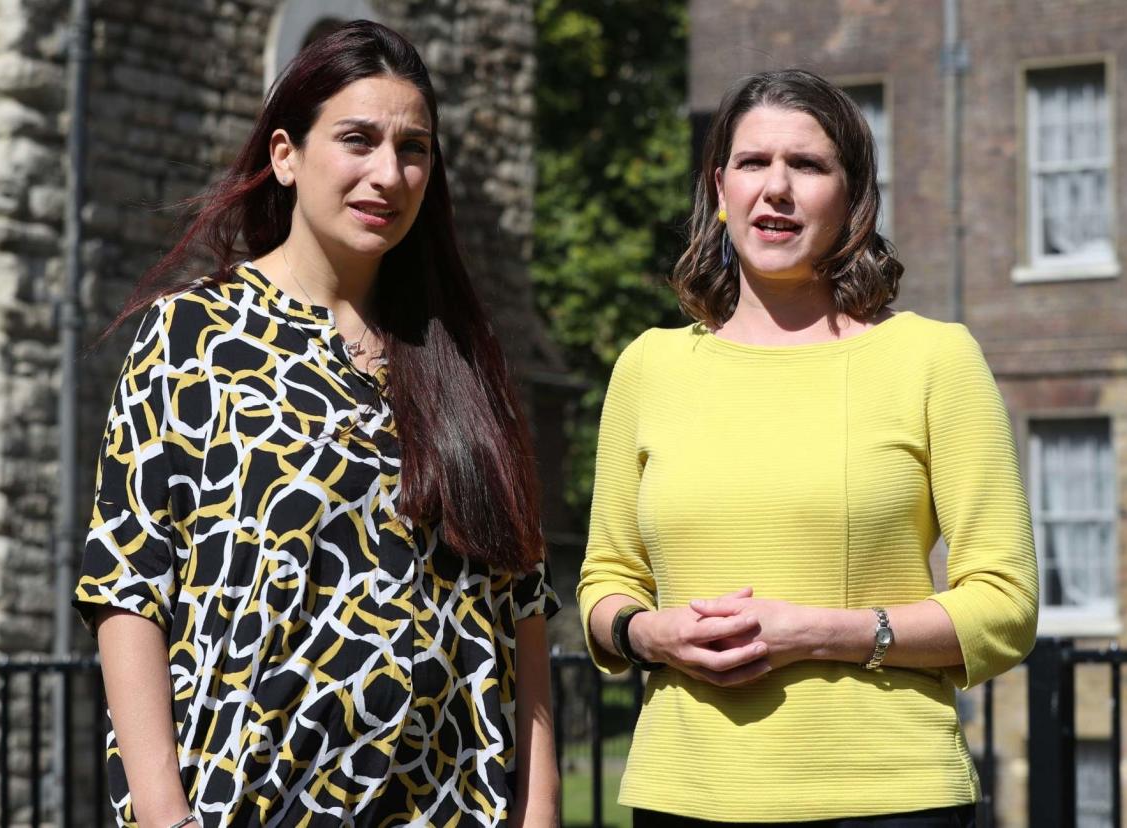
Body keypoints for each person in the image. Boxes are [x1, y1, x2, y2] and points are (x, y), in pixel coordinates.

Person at [73, 21, 559, 827]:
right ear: (285, 157)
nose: (388, 173)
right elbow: (129, 581)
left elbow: (523, 600)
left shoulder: (458, 355)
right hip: (252, 804)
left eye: (414, 149)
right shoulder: (194, 336)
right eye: (357, 140)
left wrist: (537, 809)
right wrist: (162, 812)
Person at [577, 69, 1038, 827]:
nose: (777, 189)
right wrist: (646, 632)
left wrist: (826, 632)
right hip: (684, 794)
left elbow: (1006, 604)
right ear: (719, 187)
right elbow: (606, 579)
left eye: (809, 165)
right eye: (754, 163)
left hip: (888, 797)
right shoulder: (648, 367)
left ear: (852, 195)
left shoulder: (933, 359)